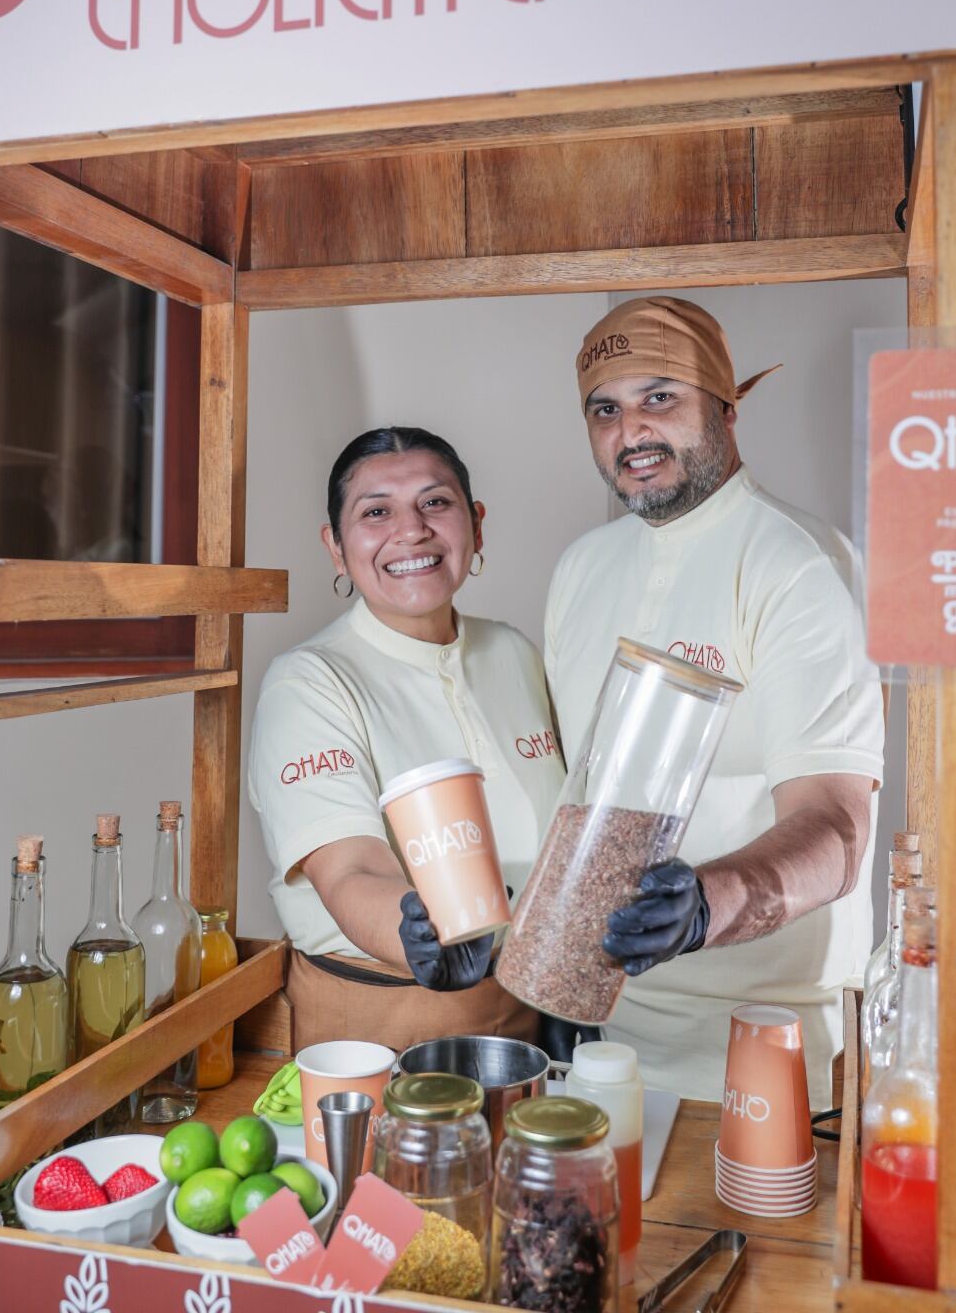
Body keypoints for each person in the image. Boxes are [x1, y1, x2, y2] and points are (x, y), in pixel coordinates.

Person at [545, 297, 885, 1103]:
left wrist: (705, 903)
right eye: (606, 409)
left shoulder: (797, 564)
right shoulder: (579, 570)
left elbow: (836, 825)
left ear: (726, 407)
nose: (631, 433)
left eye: (658, 398)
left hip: (770, 1047)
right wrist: (550, 977)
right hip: (603, 1039)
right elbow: (579, 801)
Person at [248, 425, 566, 1054]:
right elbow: (350, 869)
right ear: (336, 548)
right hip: (379, 1029)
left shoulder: (514, 653)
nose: (411, 529)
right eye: (375, 512)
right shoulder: (309, 683)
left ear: (474, 524)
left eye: (435, 502)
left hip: (529, 1014)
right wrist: (422, 933)